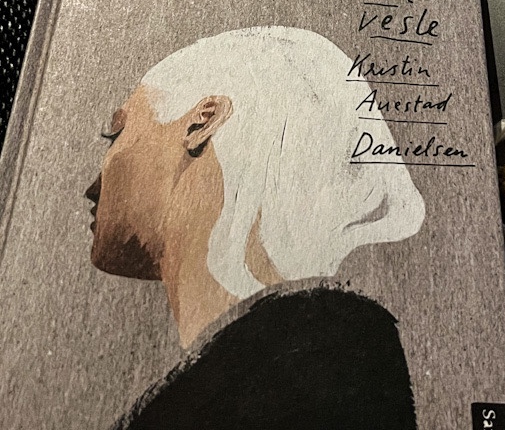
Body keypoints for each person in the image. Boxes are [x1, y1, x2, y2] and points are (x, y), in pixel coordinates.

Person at [86, 26, 425, 428]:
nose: (93, 186)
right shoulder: (322, 356)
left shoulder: (309, 371)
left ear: (202, 122)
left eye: (116, 133)